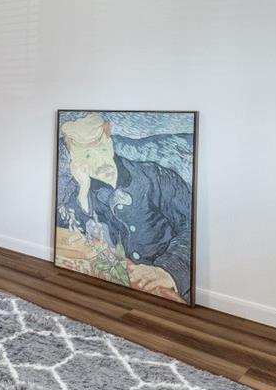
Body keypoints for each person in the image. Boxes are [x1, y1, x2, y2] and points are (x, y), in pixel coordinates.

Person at [57, 113, 192, 302]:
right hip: (112, 295)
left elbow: (193, 226)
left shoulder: (155, 177)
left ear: (109, 141)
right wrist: (82, 195)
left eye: (101, 148)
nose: (99, 161)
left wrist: (169, 269)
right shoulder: (75, 198)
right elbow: (66, 239)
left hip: (171, 295)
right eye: (87, 155)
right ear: (75, 160)